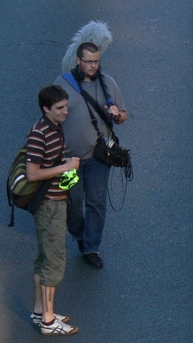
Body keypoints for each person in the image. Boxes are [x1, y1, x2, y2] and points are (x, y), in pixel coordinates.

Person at [55, 41, 127, 269]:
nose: (93, 65)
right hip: (68, 161)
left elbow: (123, 115)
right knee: (71, 203)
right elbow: (50, 116)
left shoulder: (108, 84)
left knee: (96, 203)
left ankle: (91, 247)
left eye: (96, 61)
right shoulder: (63, 83)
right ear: (78, 61)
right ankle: (79, 235)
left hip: (98, 157)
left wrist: (117, 114)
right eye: (88, 61)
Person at [26, 85, 81, 335]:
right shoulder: (40, 132)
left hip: (55, 201)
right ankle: (49, 321)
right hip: (49, 206)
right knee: (54, 261)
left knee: (44, 258)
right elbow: (33, 173)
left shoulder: (54, 127)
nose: (65, 111)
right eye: (59, 108)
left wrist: (65, 167)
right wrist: (65, 166)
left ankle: (40, 312)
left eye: (66, 106)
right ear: (46, 108)